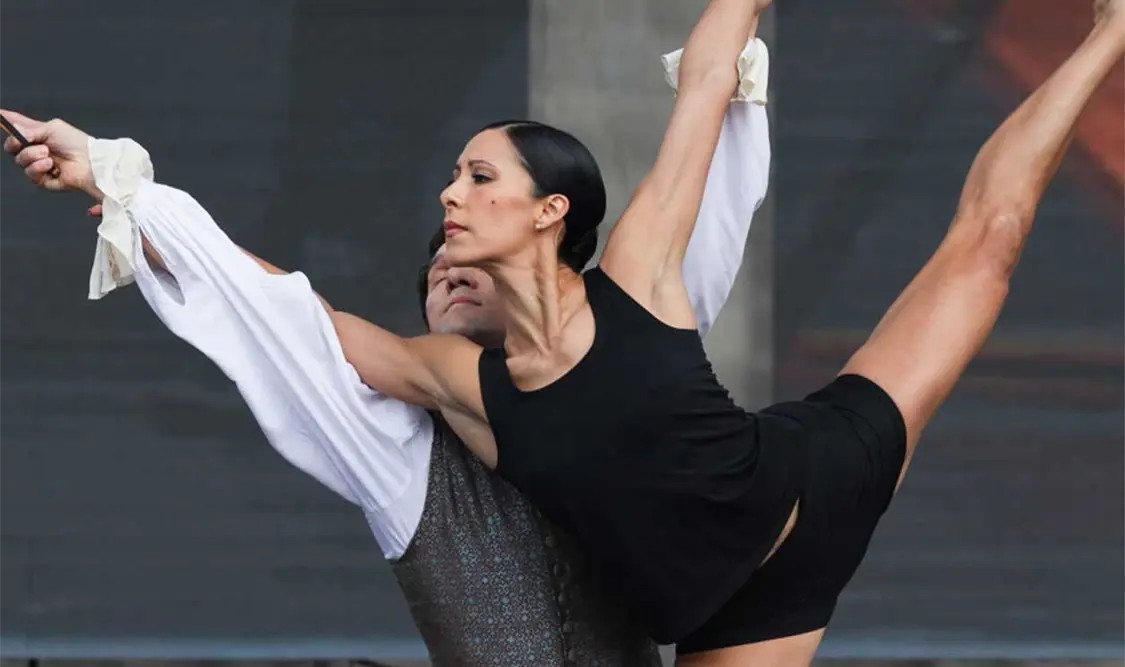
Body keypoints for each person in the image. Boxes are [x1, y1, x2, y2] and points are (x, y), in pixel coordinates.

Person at [3, 39, 772, 667]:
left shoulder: (617, 367)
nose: (453, 264)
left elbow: (689, 265)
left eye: (474, 264)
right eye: (439, 273)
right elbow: (284, 316)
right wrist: (129, 195)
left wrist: (732, 96)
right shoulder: (398, 446)